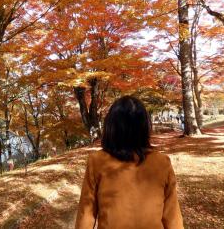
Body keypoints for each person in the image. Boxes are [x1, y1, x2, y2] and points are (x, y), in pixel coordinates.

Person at [75, 96, 183, 229]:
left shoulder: (97, 161)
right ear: (144, 127)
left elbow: (86, 214)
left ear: (111, 126)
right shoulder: (162, 163)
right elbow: (172, 218)